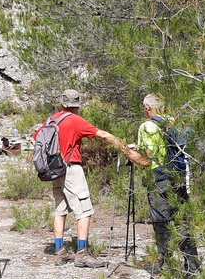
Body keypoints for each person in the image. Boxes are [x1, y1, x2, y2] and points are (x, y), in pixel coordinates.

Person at [40, 89, 147, 268]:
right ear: (77, 105)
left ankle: (60, 252)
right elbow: (102, 135)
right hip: (70, 168)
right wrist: (124, 147)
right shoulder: (74, 120)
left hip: (53, 170)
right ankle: (82, 253)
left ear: (62, 103)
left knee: (60, 209)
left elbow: (36, 140)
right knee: (84, 211)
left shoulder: (52, 119)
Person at [130, 93, 200, 274]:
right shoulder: (173, 123)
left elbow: (147, 159)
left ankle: (165, 267)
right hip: (178, 178)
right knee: (182, 222)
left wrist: (126, 151)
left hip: (159, 180)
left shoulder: (147, 126)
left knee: (162, 223)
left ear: (147, 107)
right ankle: (192, 265)